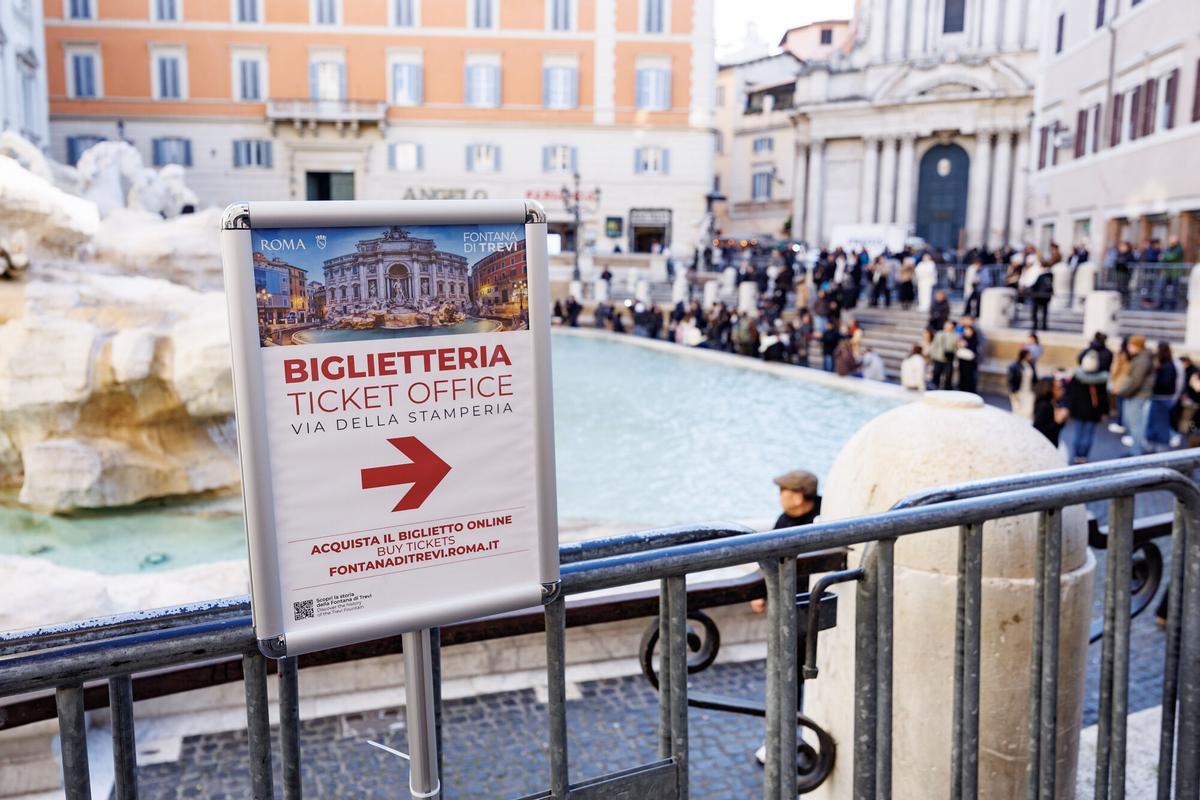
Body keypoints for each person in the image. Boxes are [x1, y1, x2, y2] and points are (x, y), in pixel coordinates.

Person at [1114, 335, 1155, 455]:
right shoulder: (1140, 358)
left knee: (1136, 425)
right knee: (1132, 424)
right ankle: (1135, 450)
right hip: (1134, 394)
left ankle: (1136, 452)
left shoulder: (1143, 360)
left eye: (1131, 345)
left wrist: (1123, 392)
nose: (1128, 348)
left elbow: (1136, 382)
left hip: (1137, 395)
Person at [1066, 351, 1109, 463]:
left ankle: (1076, 455)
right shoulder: (1101, 378)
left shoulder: (1077, 376)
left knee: (1078, 434)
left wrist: (1069, 407)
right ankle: (1083, 456)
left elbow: (1070, 393)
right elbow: (1104, 397)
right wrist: (1104, 412)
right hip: (1093, 411)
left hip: (1079, 410)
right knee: (1088, 435)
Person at [1146, 342, 1179, 450]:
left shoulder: (1168, 366)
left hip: (1162, 398)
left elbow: (1164, 383)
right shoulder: (1167, 364)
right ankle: (1152, 445)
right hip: (1159, 397)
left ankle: (1161, 448)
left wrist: (1155, 373)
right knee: (1153, 423)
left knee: (1161, 425)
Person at [1032, 377, 1068, 446]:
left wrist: (1062, 420)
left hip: (1051, 445)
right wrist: (1057, 422)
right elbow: (1037, 430)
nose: (1062, 391)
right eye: (1059, 388)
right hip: (1044, 448)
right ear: (1050, 389)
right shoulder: (1044, 406)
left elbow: (1056, 429)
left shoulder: (1053, 403)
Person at [1008, 348, 1037, 419]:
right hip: (1018, 392)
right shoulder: (1014, 366)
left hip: (1029, 392)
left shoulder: (1031, 366)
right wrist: (1013, 392)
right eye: (1029, 355)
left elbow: (1035, 379)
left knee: (1029, 412)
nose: (1030, 357)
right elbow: (1011, 381)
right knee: (1018, 411)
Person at [930, 319, 958, 390]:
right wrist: (933, 355)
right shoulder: (939, 334)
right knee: (936, 374)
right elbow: (934, 345)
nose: (948, 326)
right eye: (947, 324)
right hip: (938, 358)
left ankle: (947, 390)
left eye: (949, 324)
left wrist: (956, 359)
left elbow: (956, 348)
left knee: (948, 377)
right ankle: (934, 388)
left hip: (949, 359)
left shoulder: (955, 336)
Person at [956, 322, 980, 394]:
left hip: (970, 363)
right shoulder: (962, 338)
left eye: (969, 331)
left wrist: (966, 345)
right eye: (966, 330)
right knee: (962, 377)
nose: (967, 332)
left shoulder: (974, 339)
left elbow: (975, 350)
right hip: (962, 361)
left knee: (970, 378)